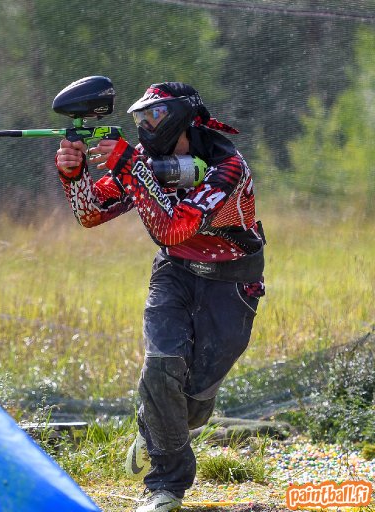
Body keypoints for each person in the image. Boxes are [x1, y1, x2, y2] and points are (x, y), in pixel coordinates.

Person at [55, 82, 266, 512]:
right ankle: (166, 487)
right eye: (139, 120)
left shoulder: (229, 167)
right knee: (160, 366)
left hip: (232, 284)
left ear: (179, 117)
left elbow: (174, 226)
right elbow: (90, 212)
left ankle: (153, 426)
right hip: (174, 274)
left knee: (193, 405)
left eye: (152, 117)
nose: (145, 128)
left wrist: (134, 170)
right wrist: (74, 173)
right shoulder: (145, 161)